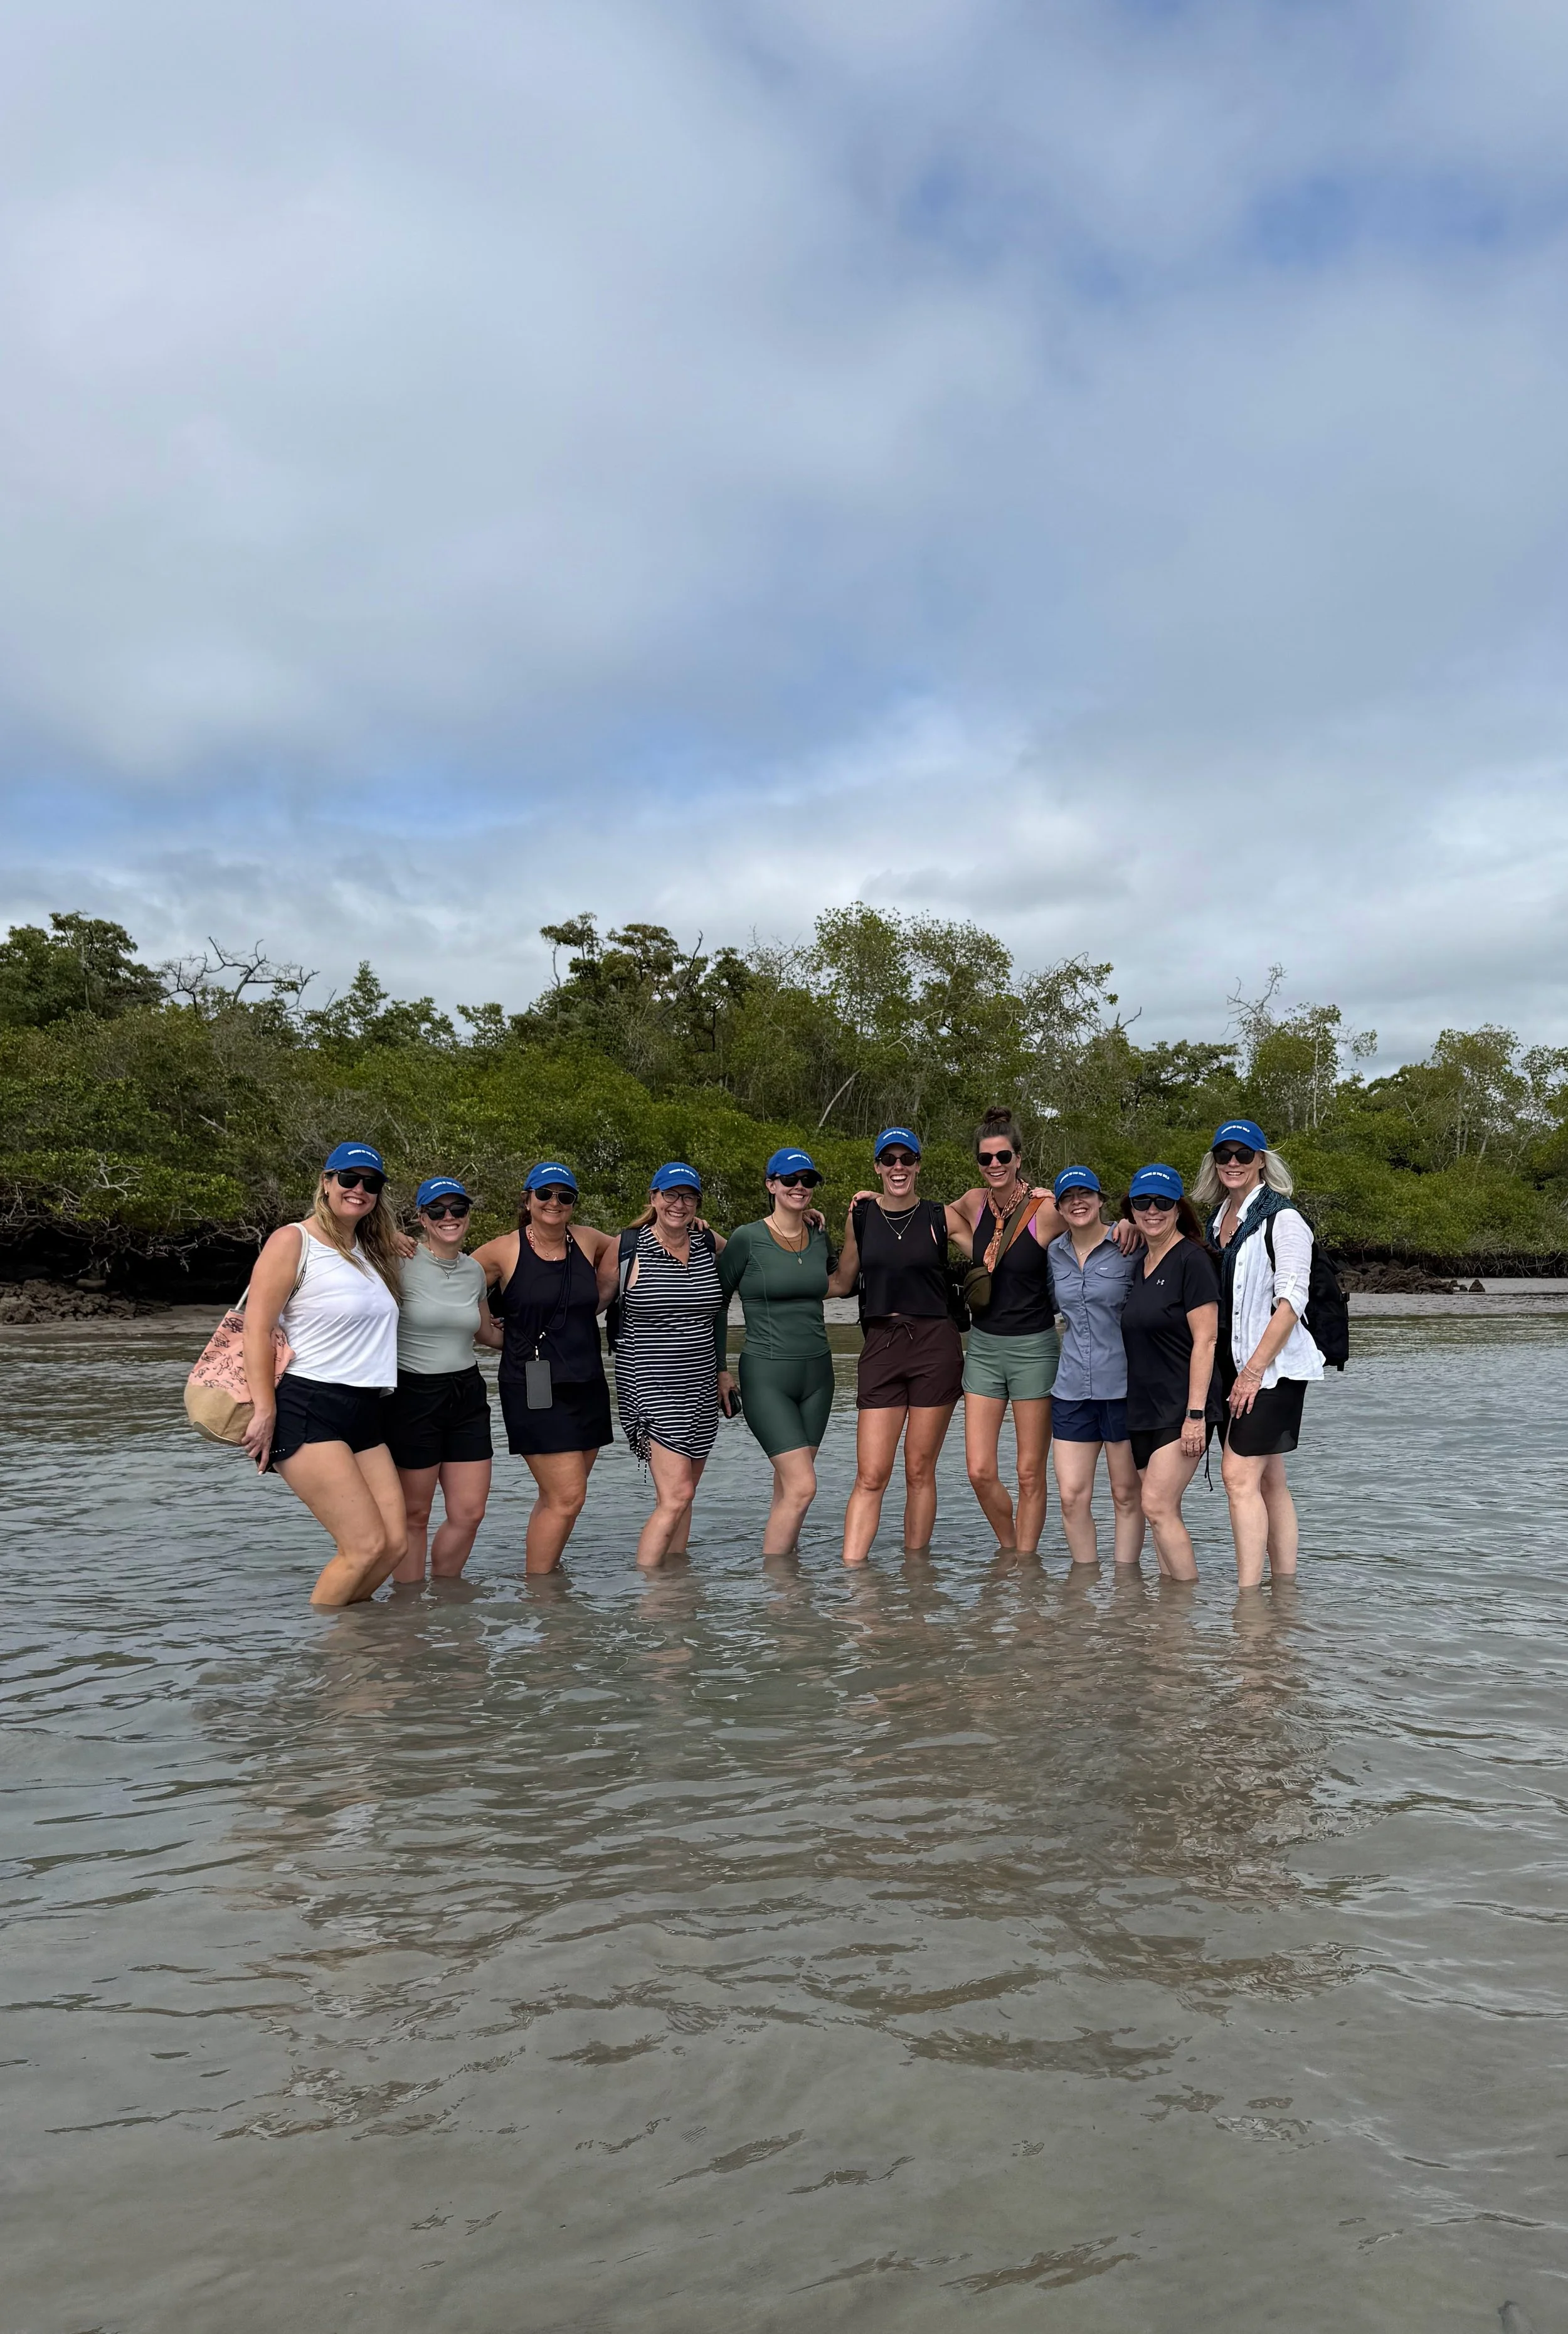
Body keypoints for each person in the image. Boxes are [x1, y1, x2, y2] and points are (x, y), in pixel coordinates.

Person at [240, 1141, 406, 1607]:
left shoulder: (371, 1250)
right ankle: (326, 1657)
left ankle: (358, 1650)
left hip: (367, 1410)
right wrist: (264, 1409)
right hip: (309, 1405)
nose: (359, 1189)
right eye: (349, 1179)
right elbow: (257, 1328)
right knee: (363, 1546)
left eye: (370, 1183)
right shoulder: (293, 1239)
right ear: (326, 1182)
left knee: (393, 1546)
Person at [828, 1127, 973, 1565]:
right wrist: (773, 1279)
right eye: (888, 1159)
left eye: (906, 1159)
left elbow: (993, 1254)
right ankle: (852, 1577)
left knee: (918, 1470)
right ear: (877, 1165)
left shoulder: (940, 1216)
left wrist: (1032, 1201)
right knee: (871, 1474)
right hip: (880, 1344)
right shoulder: (861, 1216)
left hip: (935, 1345)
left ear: (918, 1165)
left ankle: (916, 1578)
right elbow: (841, 1281)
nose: (897, 1167)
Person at [1193, 1118, 1324, 1589]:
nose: (1232, 1162)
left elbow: (1292, 1301)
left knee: (1237, 1476)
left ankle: (1247, 1600)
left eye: (1242, 1154)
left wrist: (1252, 1372)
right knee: (1270, 1481)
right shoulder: (1215, 1219)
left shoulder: (1283, 1218)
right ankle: (1284, 1590)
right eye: (1223, 1154)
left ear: (1261, 1160)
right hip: (1233, 1365)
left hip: (1275, 1369)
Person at [474, 1162, 618, 1576]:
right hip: (532, 1385)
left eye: (565, 1196)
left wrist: (604, 1294)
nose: (555, 1203)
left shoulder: (588, 1240)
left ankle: (545, 1577)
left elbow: (629, 1245)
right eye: (545, 1194)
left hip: (586, 1382)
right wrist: (489, 1331)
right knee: (568, 1496)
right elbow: (454, 1277)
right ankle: (541, 1593)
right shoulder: (504, 1249)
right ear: (528, 1199)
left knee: (558, 1497)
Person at [596, 1162, 729, 1571]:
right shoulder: (628, 1247)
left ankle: (677, 1588)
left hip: (702, 1389)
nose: (679, 1203)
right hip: (650, 1387)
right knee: (676, 1496)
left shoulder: (707, 1243)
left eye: (688, 1196)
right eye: (670, 1194)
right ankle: (648, 1597)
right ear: (653, 1198)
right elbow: (590, 1305)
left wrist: (808, 1220)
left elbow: (755, 1245)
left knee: (683, 1495)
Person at [948, 1107, 1066, 1554]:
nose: (994, 1165)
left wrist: (1130, 1223)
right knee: (979, 1469)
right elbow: (926, 1214)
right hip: (982, 1347)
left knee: (1030, 1472)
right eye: (986, 1159)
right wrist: (873, 1198)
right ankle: (1012, 1547)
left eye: (1003, 1157)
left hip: (1034, 1347)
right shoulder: (974, 1202)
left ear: (1018, 1158)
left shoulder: (1045, 1208)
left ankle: (1024, 1565)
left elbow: (1092, 1225)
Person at [381, 1177, 501, 1585]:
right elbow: (336, 1233)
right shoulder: (397, 1261)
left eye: (457, 1209)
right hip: (413, 1394)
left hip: (466, 1393)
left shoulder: (474, 1271)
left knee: (470, 1513)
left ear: (468, 1216)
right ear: (422, 1218)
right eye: (437, 1210)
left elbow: (486, 1332)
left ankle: (447, 1601)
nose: (449, 1217)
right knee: (414, 1514)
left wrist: (544, 1342)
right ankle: (410, 1608)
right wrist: (384, 1231)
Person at [717, 1147, 835, 1556]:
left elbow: (841, 1276)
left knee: (789, 1488)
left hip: (819, 1377)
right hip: (766, 1377)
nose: (799, 1187)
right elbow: (717, 1302)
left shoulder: (819, 1234)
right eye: (789, 1180)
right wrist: (721, 1370)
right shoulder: (747, 1238)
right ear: (771, 1185)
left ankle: (787, 1600)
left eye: (807, 1181)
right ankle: (776, 1587)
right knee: (804, 1487)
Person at [1118, 1165, 1220, 1583]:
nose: (1153, 1210)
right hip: (1143, 1406)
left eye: (1163, 1201)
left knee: (1157, 1505)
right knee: (1159, 1510)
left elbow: (1207, 1339)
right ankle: (1169, 1626)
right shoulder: (1140, 1261)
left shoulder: (1192, 1261)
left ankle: (1186, 1603)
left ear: (1178, 1208)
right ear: (1132, 1210)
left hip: (1183, 1408)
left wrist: (1196, 1414)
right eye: (1143, 1202)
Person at [1047, 1168, 1147, 1569]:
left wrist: (1133, 1223)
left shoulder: (1131, 1244)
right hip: (1070, 1391)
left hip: (1122, 1388)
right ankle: (1083, 1589)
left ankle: (1127, 1591)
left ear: (1100, 1199)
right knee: (1071, 1496)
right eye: (1068, 1196)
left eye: (1085, 1193)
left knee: (1126, 1494)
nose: (1077, 1201)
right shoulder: (1053, 1252)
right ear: (1058, 1207)